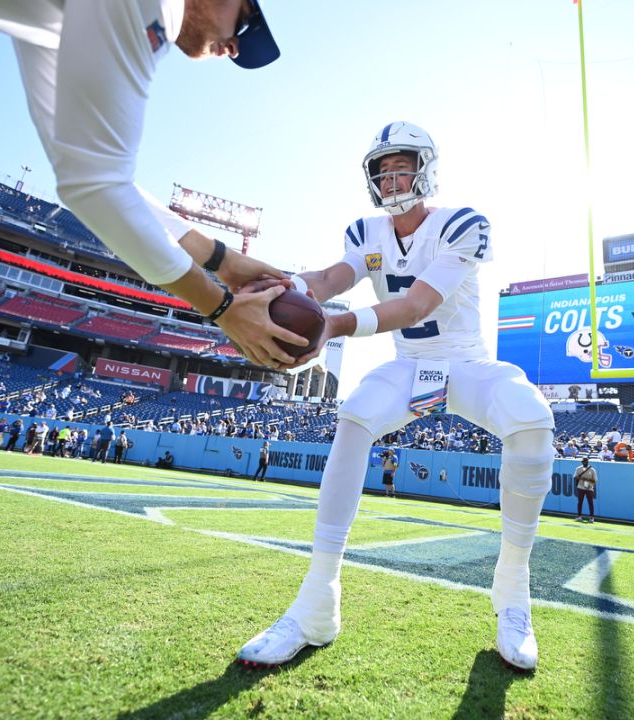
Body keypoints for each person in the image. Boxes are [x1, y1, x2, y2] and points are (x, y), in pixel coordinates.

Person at [236, 122, 556, 672]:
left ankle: (512, 593)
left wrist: (331, 327)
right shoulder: (367, 232)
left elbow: (414, 308)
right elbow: (336, 276)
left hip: (466, 364)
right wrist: (290, 287)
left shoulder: (463, 224)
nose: (389, 177)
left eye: (399, 165)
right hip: (411, 367)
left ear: (425, 168)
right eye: (381, 169)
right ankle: (317, 602)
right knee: (355, 415)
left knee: (531, 420)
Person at [0, 0, 307, 368]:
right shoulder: (157, 7)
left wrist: (220, 260)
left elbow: (81, 166)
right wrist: (219, 306)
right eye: (242, 20)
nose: (234, 48)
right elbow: (95, 184)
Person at [573, 457, 597, 523]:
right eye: (582, 461)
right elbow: (575, 476)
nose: (583, 463)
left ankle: (592, 517)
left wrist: (586, 479)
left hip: (589, 487)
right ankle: (579, 516)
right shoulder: (578, 468)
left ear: (587, 462)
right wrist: (582, 478)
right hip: (580, 487)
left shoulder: (592, 470)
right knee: (580, 502)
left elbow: (595, 480)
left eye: (585, 461)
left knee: (590, 503)